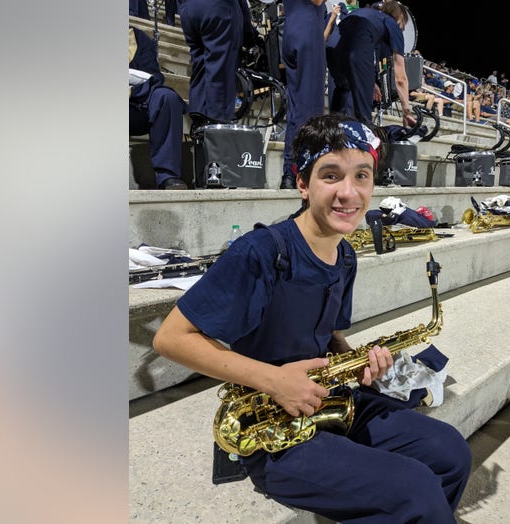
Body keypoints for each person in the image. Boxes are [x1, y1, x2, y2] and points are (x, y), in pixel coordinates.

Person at [152, 113, 471, 523]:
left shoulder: (346, 255)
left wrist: (357, 361)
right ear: (302, 183)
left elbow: (330, 335)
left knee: (451, 453)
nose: (349, 193)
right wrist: (276, 380)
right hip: (271, 427)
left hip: (330, 399)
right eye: (331, 175)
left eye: (362, 176)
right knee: (414, 489)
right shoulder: (260, 252)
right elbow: (171, 338)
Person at [327, 0, 417, 127]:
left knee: (340, 98)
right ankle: (364, 140)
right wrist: (407, 111)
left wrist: (372, 81)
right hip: (356, 49)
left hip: (333, 48)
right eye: (403, 24)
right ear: (400, 17)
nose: (402, 28)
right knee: (362, 113)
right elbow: (400, 77)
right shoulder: (391, 24)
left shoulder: (369, 15)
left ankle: (332, 136)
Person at [129, 26, 187, 190]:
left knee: (166, 97)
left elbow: (153, 77)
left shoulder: (137, 38)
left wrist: (132, 90)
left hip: (134, 106)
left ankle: (167, 176)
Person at [279, 0, 328, 190]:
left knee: (297, 108)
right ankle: (299, 171)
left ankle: (290, 173)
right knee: (310, 109)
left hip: (291, 29)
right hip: (307, 32)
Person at [177, 0, 254, 122]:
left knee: (200, 71)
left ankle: (199, 127)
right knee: (221, 76)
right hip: (218, 8)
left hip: (188, 8)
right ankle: (217, 132)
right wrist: (248, 30)